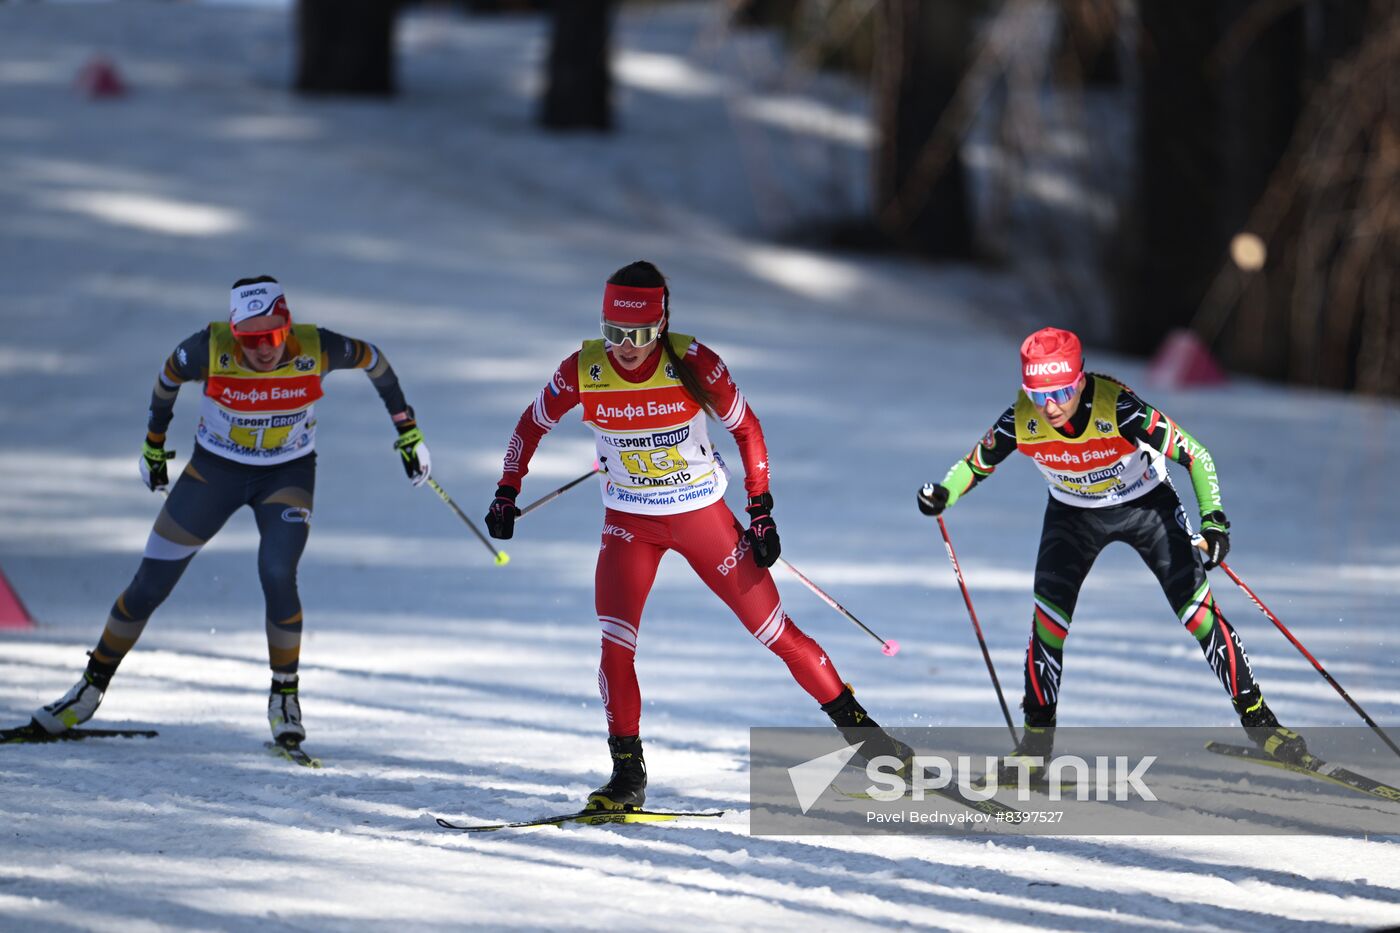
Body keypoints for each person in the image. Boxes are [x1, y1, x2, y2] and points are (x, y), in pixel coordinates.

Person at [486, 260, 910, 811]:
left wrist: (761, 512)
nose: (626, 348)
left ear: (660, 326)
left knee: (775, 632)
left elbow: (747, 428)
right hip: (628, 523)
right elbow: (531, 422)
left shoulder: (692, 363)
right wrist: (506, 489)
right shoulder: (584, 369)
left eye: (638, 335)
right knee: (615, 646)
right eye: (614, 333)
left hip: (700, 518)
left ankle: (869, 740)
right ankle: (626, 775)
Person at [32, 276, 431, 748]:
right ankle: (89, 688)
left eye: (274, 336)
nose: (264, 349)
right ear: (234, 332)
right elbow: (167, 380)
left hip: (286, 476)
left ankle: (284, 696)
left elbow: (376, 361)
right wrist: (154, 446)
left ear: (288, 326)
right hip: (213, 474)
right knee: (149, 584)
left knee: (277, 571)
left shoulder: (318, 346)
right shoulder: (207, 349)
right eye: (251, 339)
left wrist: (407, 431)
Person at [916, 326, 1307, 770]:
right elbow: (974, 465)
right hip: (1073, 517)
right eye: (1037, 393)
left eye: (1061, 391)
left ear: (1080, 381)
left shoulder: (1118, 408)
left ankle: (1262, 725)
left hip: (1146, 508)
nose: (1051, 407)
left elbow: (1196, 455)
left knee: (1199, 615)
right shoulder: (1022, 418)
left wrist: (1214, 522)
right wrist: (943, 495)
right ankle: (1035, 748)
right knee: (1048, 626)